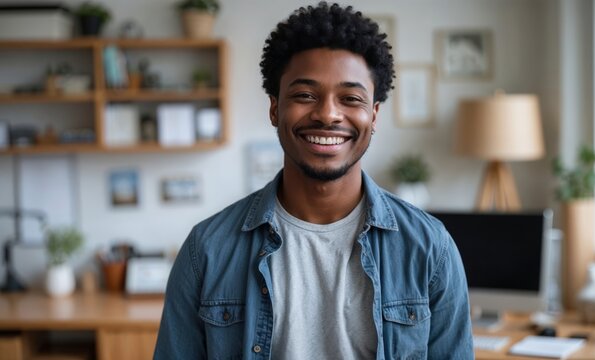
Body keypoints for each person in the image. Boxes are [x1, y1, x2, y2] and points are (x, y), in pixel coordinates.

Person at [154, 2, 473, 359]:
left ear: (373, 114)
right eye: (305, 95)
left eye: (350, 98)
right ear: (274, 109)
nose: (327, 114)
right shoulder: (207, 250)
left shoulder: (430, 248)